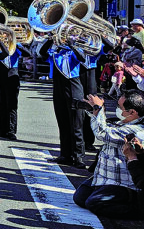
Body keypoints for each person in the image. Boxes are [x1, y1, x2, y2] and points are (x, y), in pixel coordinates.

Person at [72, 91, 144, 219]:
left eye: (120, 107)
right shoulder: (123, 122)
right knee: (80, 197)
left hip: (122, 184)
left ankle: (136, 210)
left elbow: (103, 133)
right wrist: (94, 110)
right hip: (104, 179)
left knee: (93, 203)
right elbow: (103, 125)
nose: (117, 109)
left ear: (132, 112)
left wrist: (99, 109)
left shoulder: (137, 130)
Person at [42, 36, 86, 167]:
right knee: (63, 123)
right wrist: (50, 40)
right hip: (58, 88)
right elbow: (42, 53)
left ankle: (78, 157)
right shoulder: (55, 54)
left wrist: (72, 45)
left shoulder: (73, 52)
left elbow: (82, 58)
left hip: (73, 87)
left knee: (76, 124)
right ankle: (65, 155)